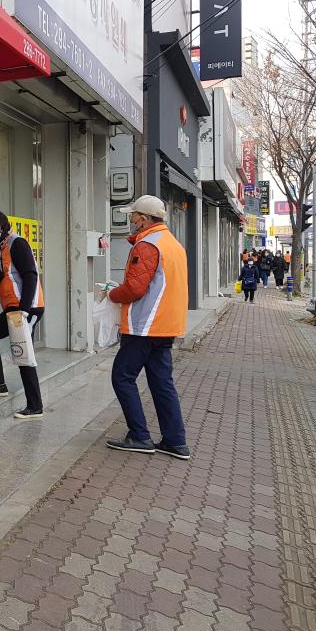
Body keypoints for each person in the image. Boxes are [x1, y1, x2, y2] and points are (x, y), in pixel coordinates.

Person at [105, 195, 191, 460]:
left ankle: (139, 436)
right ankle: (176, 441)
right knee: (161, 382)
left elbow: (134, 288)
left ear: (143, 219)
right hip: (167, 324)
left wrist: (111, 294)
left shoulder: (147, 245)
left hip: (145, 325)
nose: (130, 220)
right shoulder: (173, 243)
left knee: (122, 376)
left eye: (133, 216)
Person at [0, 208, 45, 419]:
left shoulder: (17, 244)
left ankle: (35, 407)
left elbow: (31, 276)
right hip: (13, 308)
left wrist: (24, 311)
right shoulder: (0, 247)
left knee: (23, 354)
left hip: (26, 308)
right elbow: (0, 281)